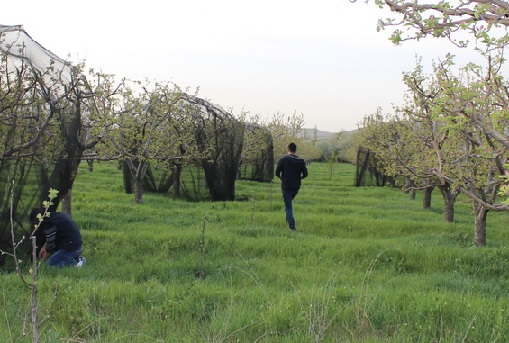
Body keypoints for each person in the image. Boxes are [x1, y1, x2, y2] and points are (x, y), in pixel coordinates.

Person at [275, 142, 308, 232]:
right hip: (296, 187)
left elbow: (277, 172)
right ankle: (288, 219)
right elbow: (305, 174)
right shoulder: (301, 161)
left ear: (288, 149)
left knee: (288, 207)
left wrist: (282, 178)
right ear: (295, 150)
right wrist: (299, 179)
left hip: (286, 186)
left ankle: (292, 228)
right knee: (288, 204)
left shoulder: (283, 159)